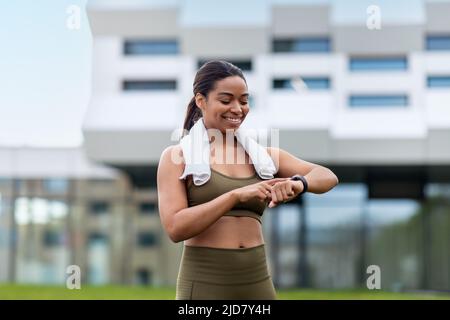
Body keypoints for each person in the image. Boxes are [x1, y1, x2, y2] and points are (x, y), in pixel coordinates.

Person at [157, 60, 339, 300]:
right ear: (201, 101)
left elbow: (327, 176)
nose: (237, 108)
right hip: (204, 280)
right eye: (226, 100)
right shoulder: (177, 157)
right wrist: (235, 196)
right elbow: (175, 228)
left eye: (243, 101)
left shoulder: (263, 157)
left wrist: (297, 183)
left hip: (257, 280)